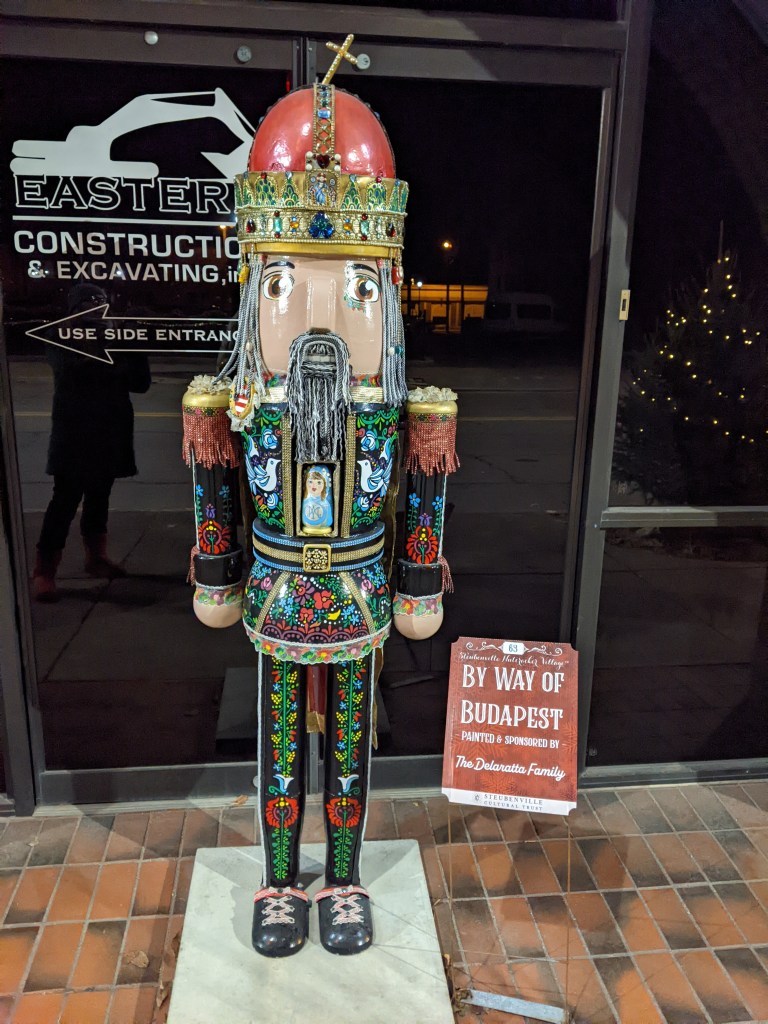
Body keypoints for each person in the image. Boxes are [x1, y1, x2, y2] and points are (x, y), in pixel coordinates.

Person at [182, 55, 459, 959]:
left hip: (356, 593)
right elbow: (217, 492)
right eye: (284, 286)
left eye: (354, 291)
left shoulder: (405, 410)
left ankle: (340, 878)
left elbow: (423, 493)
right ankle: (277, 879)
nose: (319, 321)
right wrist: (218, 570)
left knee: (348, 741)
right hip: (274, 594)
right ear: (253, 290)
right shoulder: (235, 405)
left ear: (387, 294)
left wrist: (419, 583)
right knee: (278, 748)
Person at [32, 284, 151, 601]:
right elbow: (72, 370)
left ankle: (96, 558)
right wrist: (109, 347)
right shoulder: (60, 335)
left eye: (100, 304)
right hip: (74, 431)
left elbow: (140, 382)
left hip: (109, 429)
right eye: (88, 305)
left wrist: (130, 341)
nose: (96, 311)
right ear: (74, 310)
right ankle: (44, 571)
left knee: (100, 496)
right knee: (64, 500)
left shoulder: (117, 336)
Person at [301, 466, 333, 533]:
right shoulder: (305, 501)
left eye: (319, 482)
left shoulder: (326, 504)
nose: (314, 486)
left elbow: (328, 520)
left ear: (325, 485)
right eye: (310, 482)